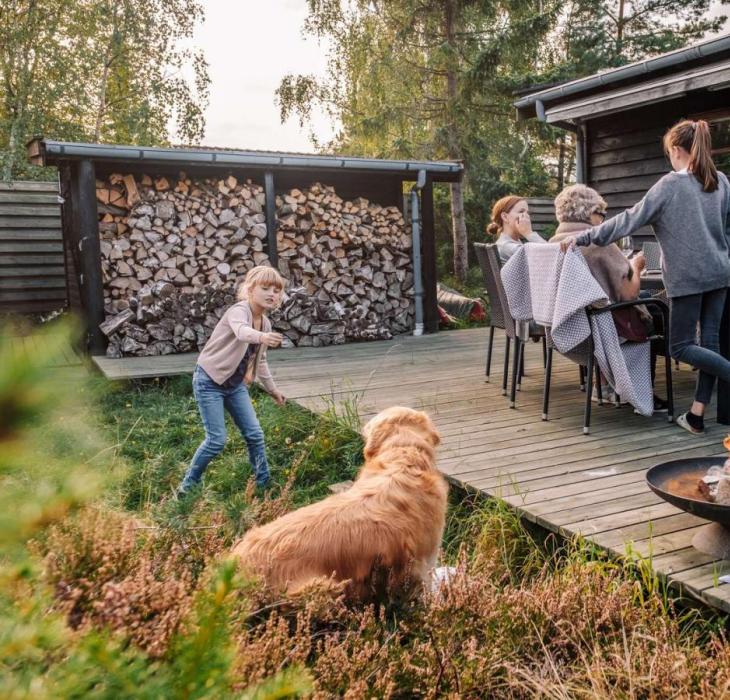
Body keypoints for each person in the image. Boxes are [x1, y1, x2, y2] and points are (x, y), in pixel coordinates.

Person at [559, 119, 730, 434]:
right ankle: (696, 415)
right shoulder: (720, 181)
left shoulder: (670, 185)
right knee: (710, 345)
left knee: (680, 347)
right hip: (721, 274)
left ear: (677, 150)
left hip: (688, 279)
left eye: (669, 153)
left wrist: (582, 238)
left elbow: (626, 220)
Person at [549, 184, 667, 411]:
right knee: (656, 312)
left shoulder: (554, 243)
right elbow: (627, 294)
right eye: (601, 214)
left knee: (642, 302)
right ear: (588, 213)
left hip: (571, 328)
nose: (603, 220)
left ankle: (603, 385)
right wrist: (636, 265)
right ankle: (642, 391)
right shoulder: (597, 242)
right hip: (604, 329)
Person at [178, 265, 287, 495]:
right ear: (250, 290)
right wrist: (263, 337)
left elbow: (261, 360)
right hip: (209, 381)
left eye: (276, 291)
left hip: (234, 386)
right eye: (265, 288)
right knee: (216, 440)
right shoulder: (239, 312)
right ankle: (187, 487)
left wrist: (273, 390)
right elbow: (241, 332)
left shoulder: (265, 323)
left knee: (255, 434)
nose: (271, 294)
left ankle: (263, 483)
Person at [487, 196, 545, 264]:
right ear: (505, 217)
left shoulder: (511, 242)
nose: (527, 216)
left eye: (528, 213)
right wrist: (529, 233)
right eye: (521, 211)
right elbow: (551, 255)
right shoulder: (508, 247)